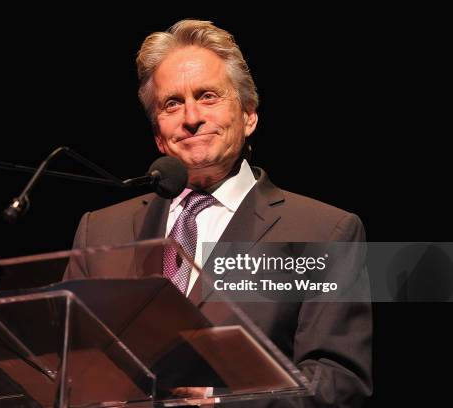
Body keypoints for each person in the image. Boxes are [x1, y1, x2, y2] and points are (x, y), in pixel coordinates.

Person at [64, 19, 372, 407]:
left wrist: (219, 403)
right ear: (159, 134)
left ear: (248, 115)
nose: (191, 117)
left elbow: (338, 381)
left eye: (208, 96)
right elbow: (64, 367)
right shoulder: (100, 231)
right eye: (171, 103)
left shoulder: (324, 231)